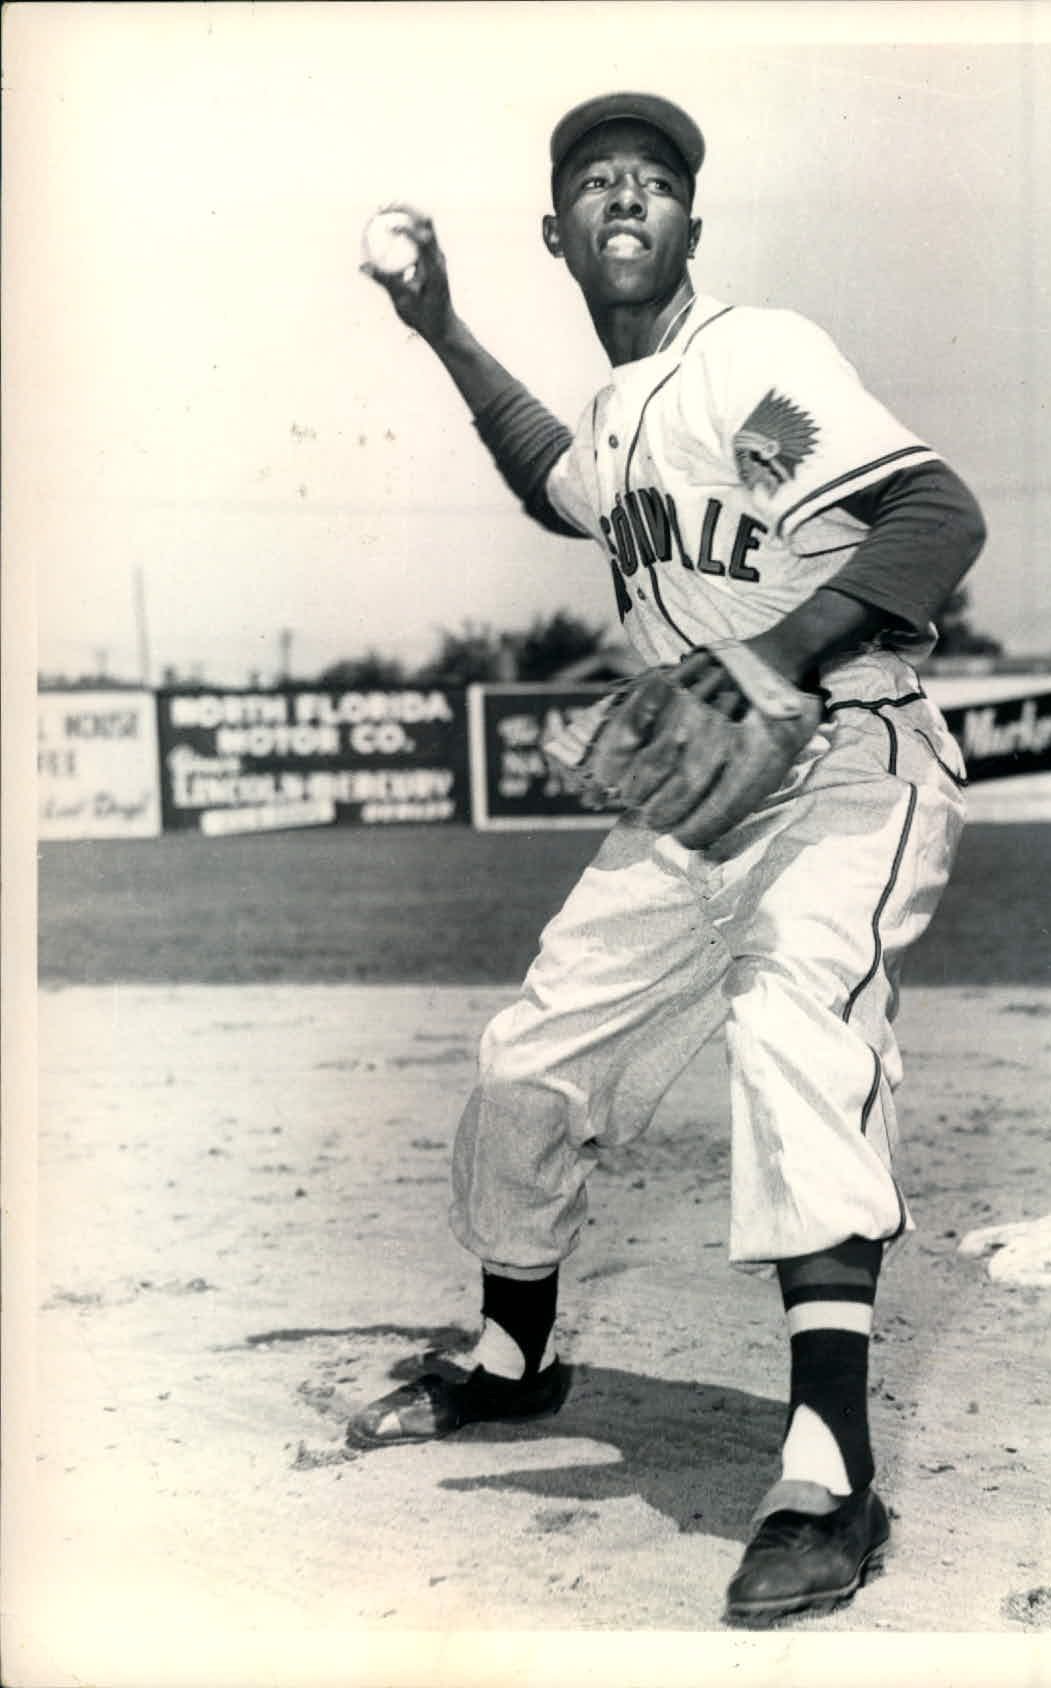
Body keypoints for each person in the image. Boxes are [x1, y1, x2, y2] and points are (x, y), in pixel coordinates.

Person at [349, 91, 986, 1627]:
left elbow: (932, 513)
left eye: (651, 182)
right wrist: (440, 330)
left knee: (790, 1032)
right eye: (593, 183)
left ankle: (828, 1476)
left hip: (845, 754)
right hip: (703, 797)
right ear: (559, 233)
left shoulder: (752, 362)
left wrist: (774, 652)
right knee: (529, 1061)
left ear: (688, 226)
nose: (624, 196)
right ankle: (515, 1359)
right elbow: (555, 478)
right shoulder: (635, 414)